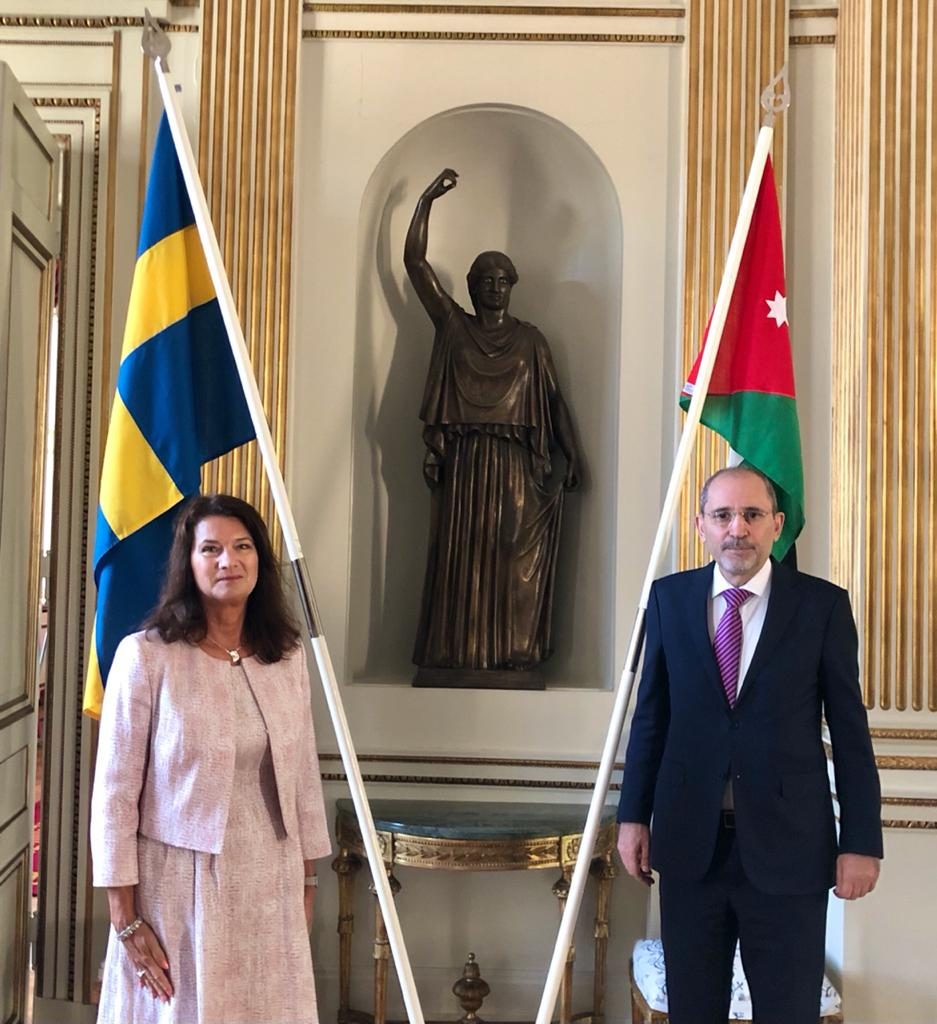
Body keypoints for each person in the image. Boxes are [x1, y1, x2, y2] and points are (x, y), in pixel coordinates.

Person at [617, 466, 882, 1024]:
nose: (737, 528)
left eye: (752, 515)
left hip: (791, 852)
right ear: (701, 526)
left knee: (788, 1012)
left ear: (776, 525)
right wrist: (632, 817)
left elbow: (850, 734)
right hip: (691, 848)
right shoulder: (668, 600)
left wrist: (861, 841)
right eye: (723, 515)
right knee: (694, 1011)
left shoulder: (822, 607)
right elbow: (651, 720)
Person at [90, 494, 330, 1023]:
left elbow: (302, 778)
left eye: (242, 547)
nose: (229, 561)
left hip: (269, 877)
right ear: (189, 562)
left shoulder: (286, 657)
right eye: (211, 549)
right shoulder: (146, 656)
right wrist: (124, 916)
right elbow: (114, 794)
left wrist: (308, 880)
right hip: (175, 883)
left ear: (259, 561)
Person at [405, 167, 582, 683]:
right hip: (465, 466)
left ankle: (511, 651)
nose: (495, 289)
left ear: (513, 287)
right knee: (460, 559)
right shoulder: (453, 325)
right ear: (472, 287)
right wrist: (425, 200)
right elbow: (414, 263)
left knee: (511, 557)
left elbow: (554, 401)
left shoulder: (531, 341)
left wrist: (574, 453)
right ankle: (454, 652)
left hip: (514, 466)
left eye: (503, 281)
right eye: (485, 281)